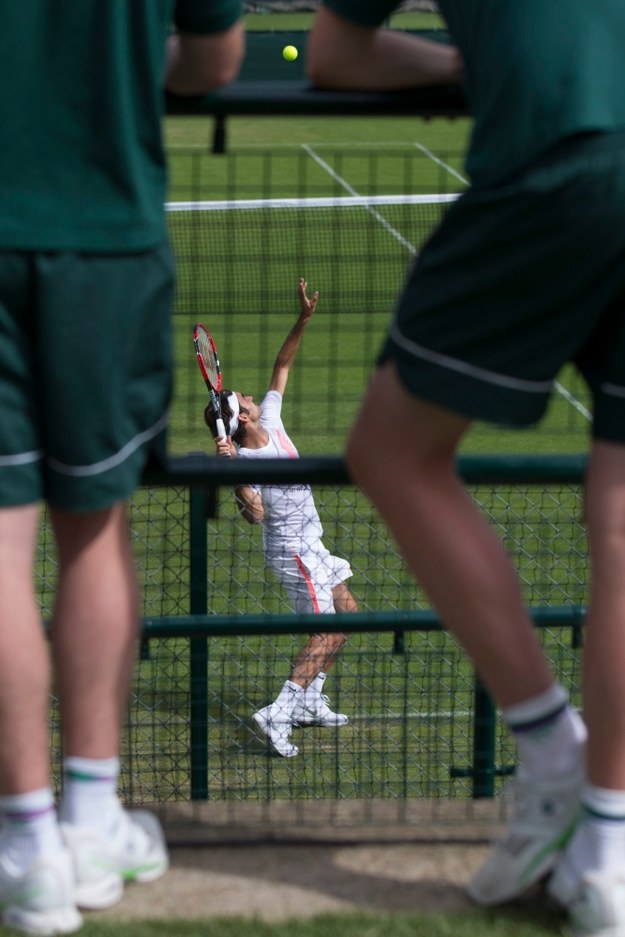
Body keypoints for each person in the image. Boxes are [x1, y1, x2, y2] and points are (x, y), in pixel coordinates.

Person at [308, 3, 625, 936]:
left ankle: (548, 751)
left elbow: (336, 57)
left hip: (562, 152)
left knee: (390, 450)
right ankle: (606, 853)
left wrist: (456, 66)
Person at [0, 3, 244, 934]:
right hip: (104, 233)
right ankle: (92, 821)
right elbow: (214, 60)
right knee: (95, 530)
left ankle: (28, 848)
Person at [206, 278, 358, 758]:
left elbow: (282, 365)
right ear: (242, 418)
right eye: (245, 399)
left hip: (314, 542)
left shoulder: (270, 420)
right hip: (293, 552)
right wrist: (232, 474)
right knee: (327, 630)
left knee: (349, 616)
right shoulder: (244, 463)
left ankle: (310, 701)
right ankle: (278, 712)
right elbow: (254, 515)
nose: (253, 396)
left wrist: (304, 319)